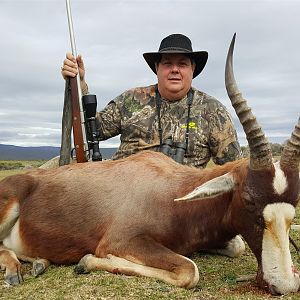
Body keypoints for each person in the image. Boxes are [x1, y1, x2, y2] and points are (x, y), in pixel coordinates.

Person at [61, 33, 241, 168]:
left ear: (193, 69)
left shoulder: (213, 112)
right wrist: (78, 84)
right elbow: (90, 131)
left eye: (182, 64)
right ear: (157, 68)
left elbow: (235, 170)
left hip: (182, 208)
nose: (175, 70)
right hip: (121, 201)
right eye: (167, 63)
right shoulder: (131, 100)